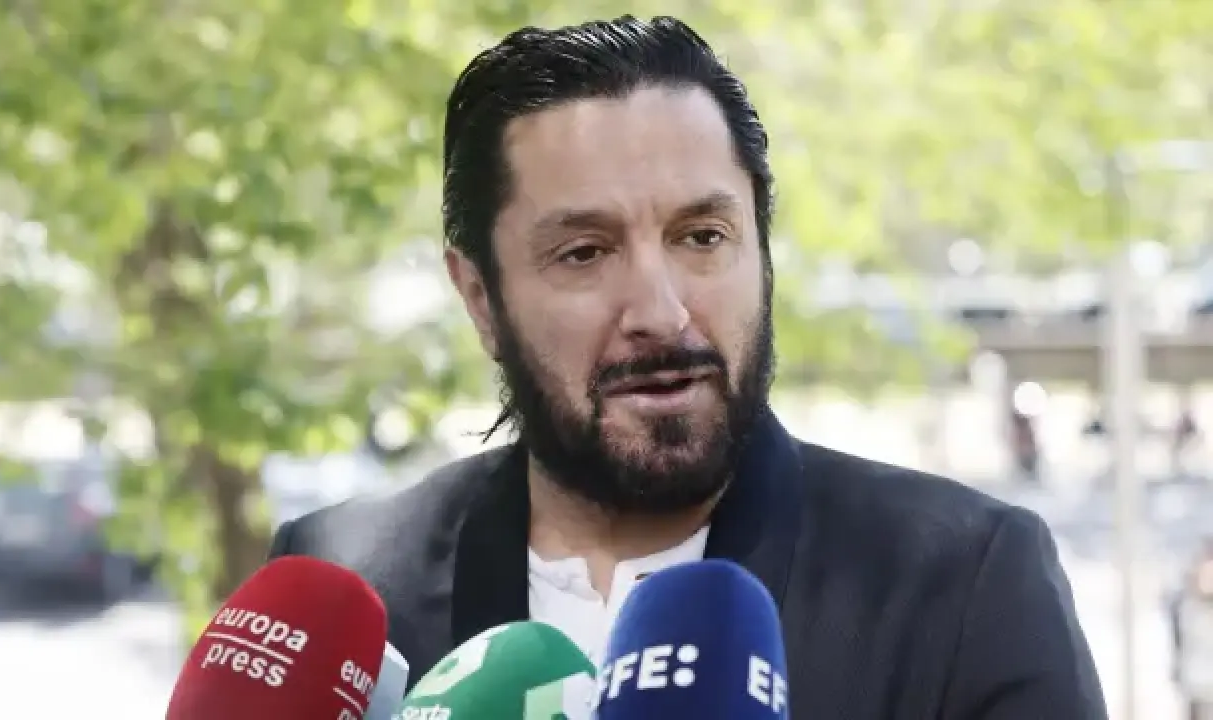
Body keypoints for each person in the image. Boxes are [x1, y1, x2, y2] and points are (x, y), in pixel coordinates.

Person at [269, 15, 1107, 718]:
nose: (662, 312)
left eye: (703, 237)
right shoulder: (345, 588)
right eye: (585, 252)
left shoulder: (962, 585)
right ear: (481, 298)